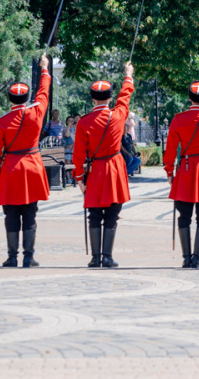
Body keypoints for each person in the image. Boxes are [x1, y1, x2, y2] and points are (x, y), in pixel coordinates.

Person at [0, 53, 52, 268]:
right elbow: (43, 92)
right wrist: (45, 68)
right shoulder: (36, 112)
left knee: (12, 214)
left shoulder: (2, 122)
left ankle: (12, 256)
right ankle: (29, 257)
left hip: (11, 169)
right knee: (30, 213)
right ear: (26, 99)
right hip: (32, 165)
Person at [72, 62, 134, 268]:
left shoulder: (84, 122)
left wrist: (79, 178)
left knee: (95, 214)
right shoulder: (118, 115)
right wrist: (128, 75)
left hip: (96, 170)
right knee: (112, 214)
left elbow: (79, 154)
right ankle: (107, 257)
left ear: (92, 98)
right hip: (115, 167)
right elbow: (125, 97)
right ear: (109, 98)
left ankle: (95, 257)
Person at [164, 68, 199, 269]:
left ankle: (186, 257)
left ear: (189, 98)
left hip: (185, 170)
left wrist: (170, 172)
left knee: (184, 215)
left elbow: (170, 150)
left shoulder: (178, 120)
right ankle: (198, 256)